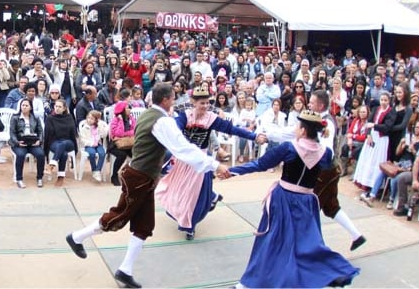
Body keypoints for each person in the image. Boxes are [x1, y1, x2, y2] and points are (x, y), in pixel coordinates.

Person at [65, 82, 231, 288]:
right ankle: (76, 237)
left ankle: (125, 270)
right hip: (138, 177)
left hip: (144, 177)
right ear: (166, 100)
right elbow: (182, 148)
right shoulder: (162, 121)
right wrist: (215, 165)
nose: (174, 101)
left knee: (144, 226)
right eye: (172, 98)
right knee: (118, 216)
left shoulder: (148, 114)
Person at [223, 109, 360, 288]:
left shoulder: (289, 148)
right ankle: (332, 273)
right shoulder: (325, 153)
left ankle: (248, 284)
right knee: (307, 242)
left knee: (271, 240)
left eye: (297, 126)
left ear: (303, 130)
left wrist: (232, 171)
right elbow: (328, 167)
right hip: (306, 202)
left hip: (283, 200)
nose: (295, 129)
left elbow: (260, 164)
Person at [259, 89, 367, 251]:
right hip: (326, 170)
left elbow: (326, 148)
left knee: (307, 207)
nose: (308, 104)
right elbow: (289, 133)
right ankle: (356, 236)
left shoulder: (326, 123)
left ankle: (308, 246)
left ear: (321, 105)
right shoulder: (310, 120)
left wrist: (304, 154)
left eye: (312, 102)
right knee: (330, 206)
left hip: (323, 171)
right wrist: (268, 135)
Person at [156, 86, 258, 240]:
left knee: (194, 195)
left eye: (207, 103)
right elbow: (173, 131)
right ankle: (212, 196)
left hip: (201, 159)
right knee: (176, 189)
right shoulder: (185, 116)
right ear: (193, 102)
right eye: (201, 103)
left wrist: (254, 136)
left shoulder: (211, 118)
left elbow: (232, 129)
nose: (205, 106)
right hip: (185, 158)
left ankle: (190, 226)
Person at [9, 98, 45, 188]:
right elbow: (12, 133)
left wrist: (39, 141)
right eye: (23, 105)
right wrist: (17, 142)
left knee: (40, 155)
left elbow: (40, 131)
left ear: (30, 107)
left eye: (26, 105)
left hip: (33, 142)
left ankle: (39, 178)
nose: (24, 107)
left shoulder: (35, 118)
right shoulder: (15, 118)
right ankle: (19, 179)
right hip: (19, 142)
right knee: (20, 155)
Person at [43, 99, 78, 187]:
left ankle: (52, 164)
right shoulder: (50, 118)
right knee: (64, 153)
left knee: (63, 144)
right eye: (56, 106)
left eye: (60, 107)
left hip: (68, 142)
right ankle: (60, 177)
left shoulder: (69, 117)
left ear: (64, 108)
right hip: (55, 142)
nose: (57, 108)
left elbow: (72, 133)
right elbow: (48, 133)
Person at [78, 110, 109, 182]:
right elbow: (82, 140)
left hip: (98, 144)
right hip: (89, 145)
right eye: (88, 118)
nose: (89, 120)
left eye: (92, 119)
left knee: (102, 153)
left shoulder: (98, 127)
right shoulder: (84, 127)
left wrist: (100, 125)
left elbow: (104, 135)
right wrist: (91, 143)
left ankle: (97, 171)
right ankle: (94, 169)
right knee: (91, 153)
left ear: (96, 120)